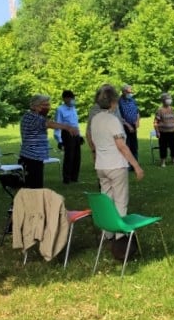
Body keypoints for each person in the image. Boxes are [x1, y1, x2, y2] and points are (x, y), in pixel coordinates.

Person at [90, 84, 144, 257]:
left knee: (107, 199)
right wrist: (136, 165)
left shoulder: (95, 119)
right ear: (114, 101)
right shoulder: (113, 120)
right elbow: (121, 146)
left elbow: (92, 140)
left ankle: (107, 233)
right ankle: (121, 238)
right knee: (121, 201)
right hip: (116, 165)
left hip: (101, 166)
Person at [19, 95, 79, 189]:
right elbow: (49, 124)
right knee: (34, 187)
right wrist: (68, 127)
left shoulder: (30, 116)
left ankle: (26, 202)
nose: (48, 107)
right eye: (45, 105)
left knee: (31, 187)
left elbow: (47, 122)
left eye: (48, 104)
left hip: (33, 157)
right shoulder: (34, 118)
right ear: (35, 106)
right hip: (32, 158)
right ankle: (25, 203)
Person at [53, 90, 82, 184]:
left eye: (73, 98)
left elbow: (75, 123)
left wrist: (79, 135)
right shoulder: (60, 109)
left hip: (75, 133)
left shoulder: (73, 108)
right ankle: (67, 178)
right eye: (71, 98)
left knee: (77, 156)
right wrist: (59, 140)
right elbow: (57, 125)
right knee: (69, 156)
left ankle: (75, 177)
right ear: (65, 99)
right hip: (66, 133)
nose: (73, 100)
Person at [154, 92, 174, 167]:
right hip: (163, 132)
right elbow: (155, 122)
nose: (169, 100)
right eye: (167, 99)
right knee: (163, 147)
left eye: (170, 98)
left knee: (173, 146)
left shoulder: (172, 109)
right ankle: (163, 162)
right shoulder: (160, 110)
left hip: (172, 131)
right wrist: (157, 132)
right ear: (163, 100)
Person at [118, 84, 141, 163]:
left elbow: (137, 112)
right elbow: (118, 116)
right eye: (129, 92)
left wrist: (137, 121)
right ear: (124, 92)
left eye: (131, 91)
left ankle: (135, 163)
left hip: (133, 125)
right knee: (126, 145)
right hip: (124, 127)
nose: (131, 93)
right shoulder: (119, 102)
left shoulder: (132, 100)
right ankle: (127, 164)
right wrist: (127, 125)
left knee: (134, 145)